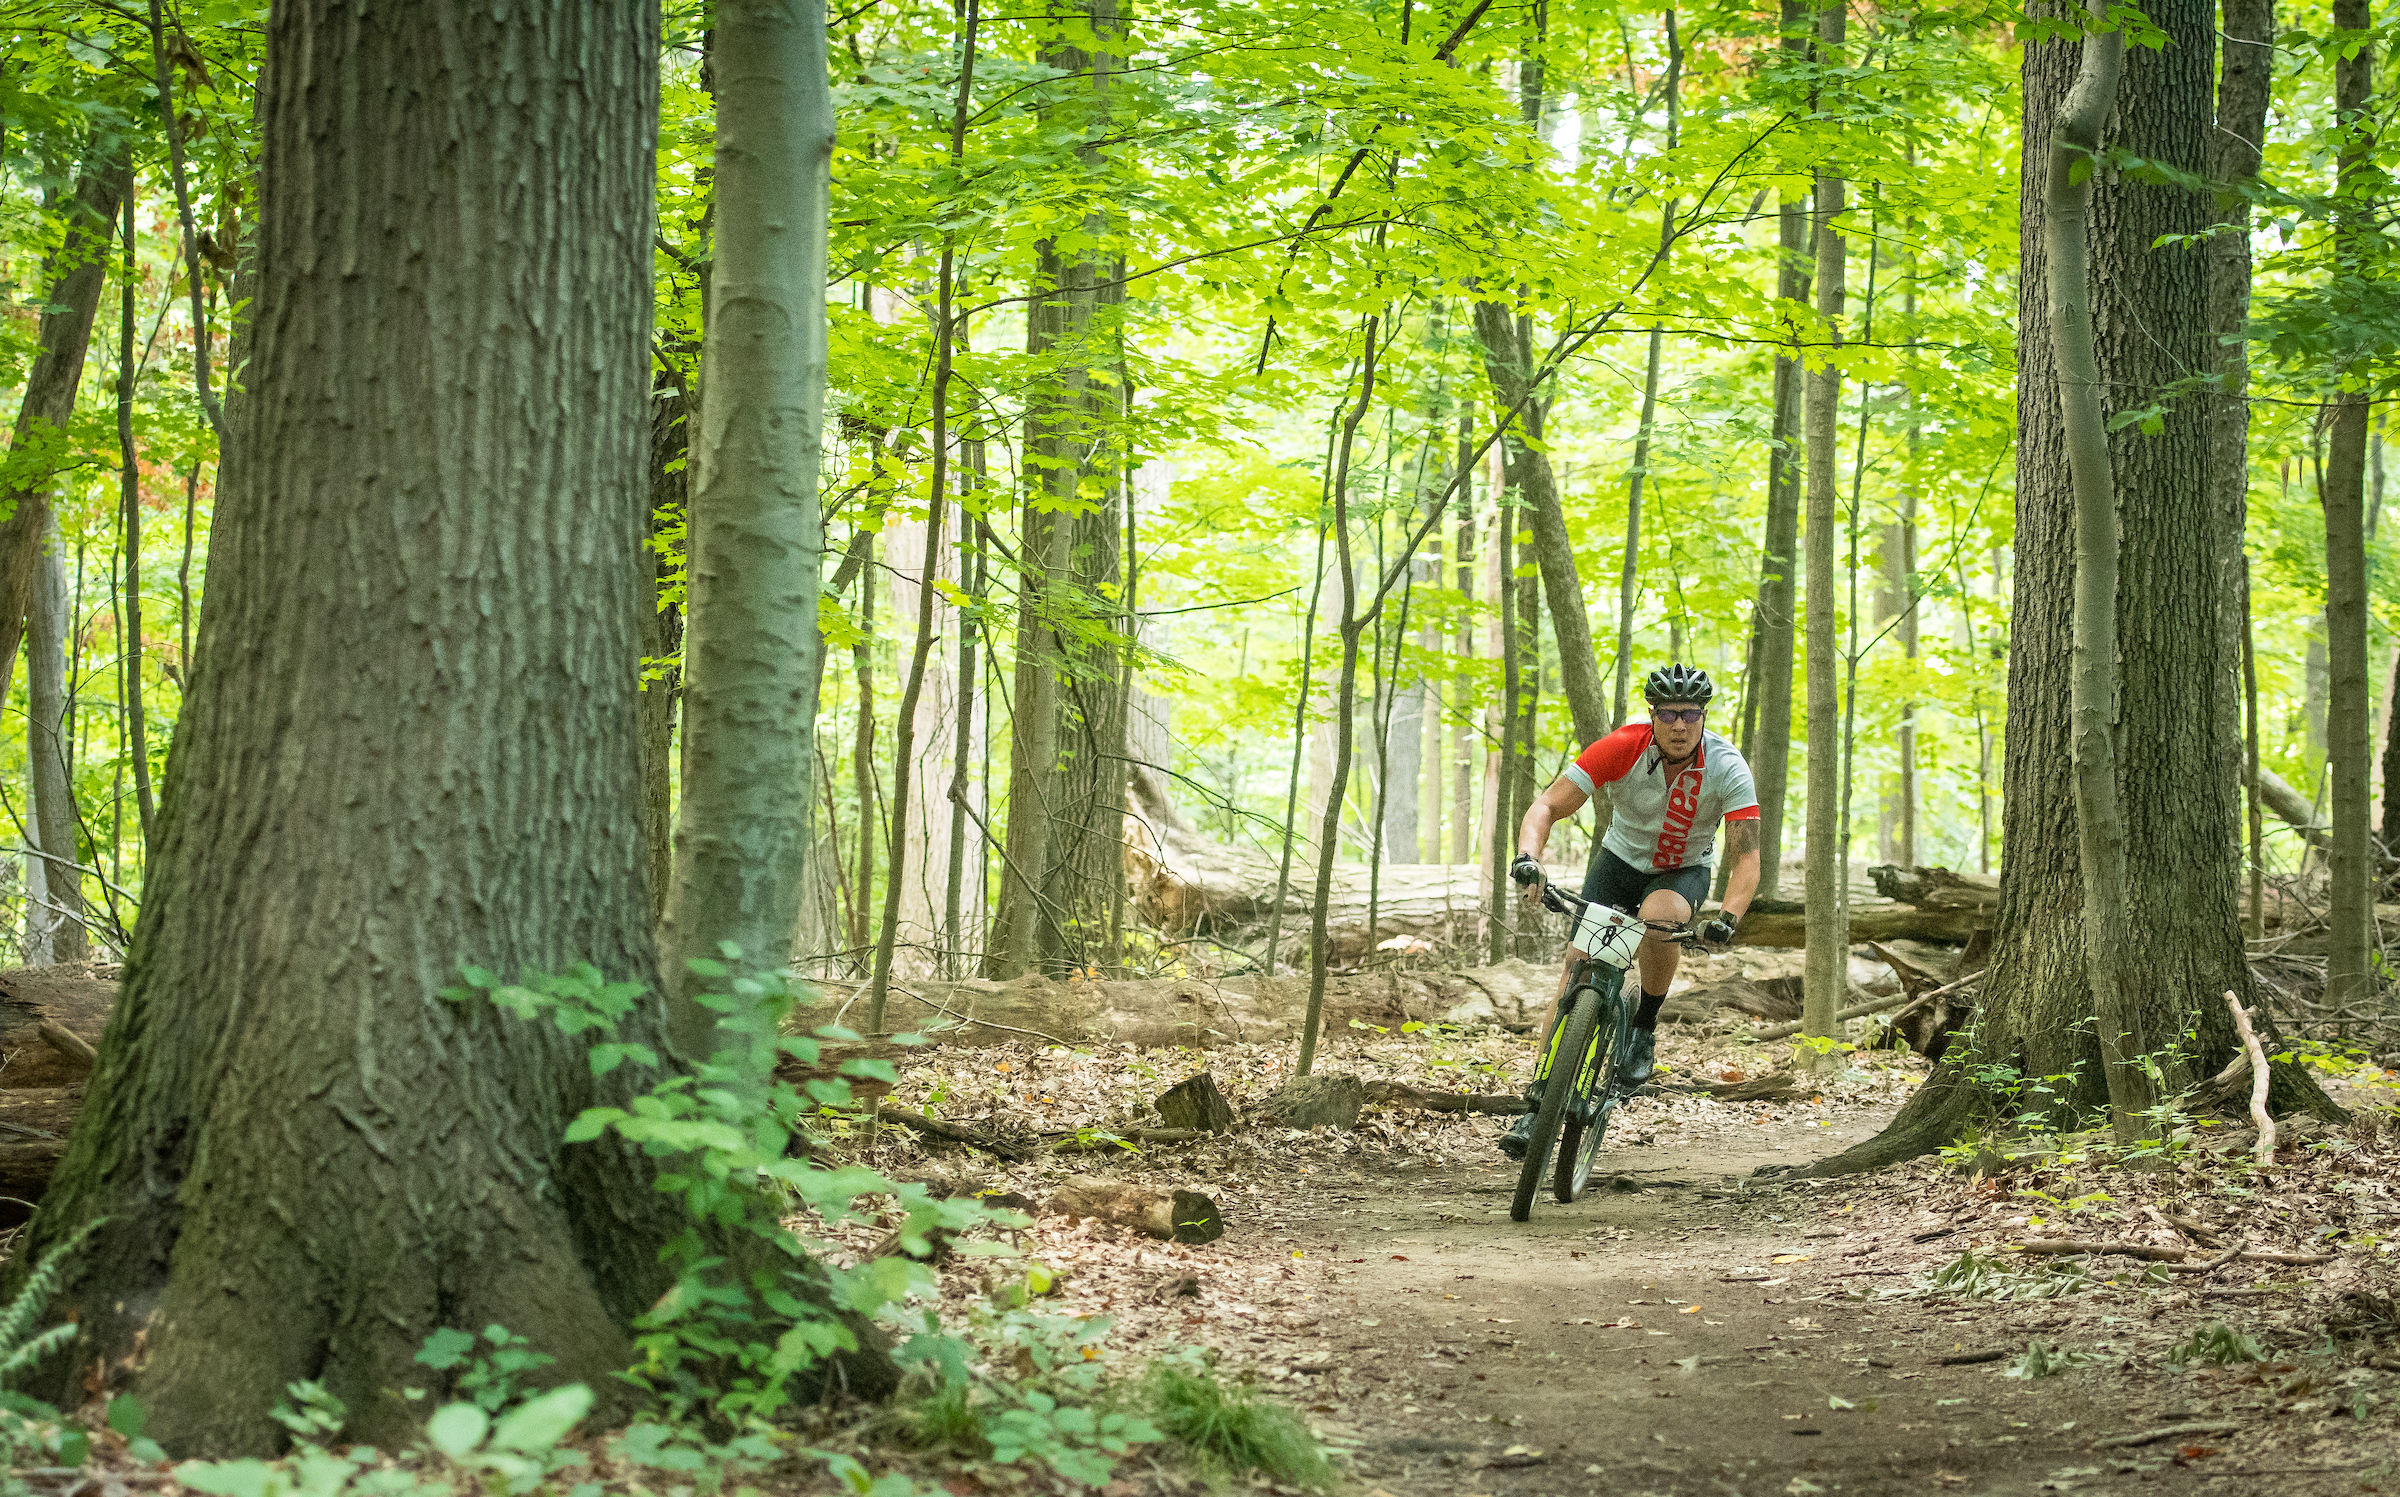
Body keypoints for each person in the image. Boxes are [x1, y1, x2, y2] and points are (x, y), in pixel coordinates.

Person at [1497, 662, 1762, 1161]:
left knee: (1661, 921)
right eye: (1668, 714)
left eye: (1690, 714)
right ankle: (1538, 1104)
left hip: (1681, 871)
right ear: (1653, 716)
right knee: (1575, 973)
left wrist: (1730, 914)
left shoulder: (1726, 767)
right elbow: (1546, 806)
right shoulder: (1622, 746)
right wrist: (1528, 858)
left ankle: (1644, 1025)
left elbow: (1747, 855)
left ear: (1703, 717)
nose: (1679, 725)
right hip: (1617, 864)